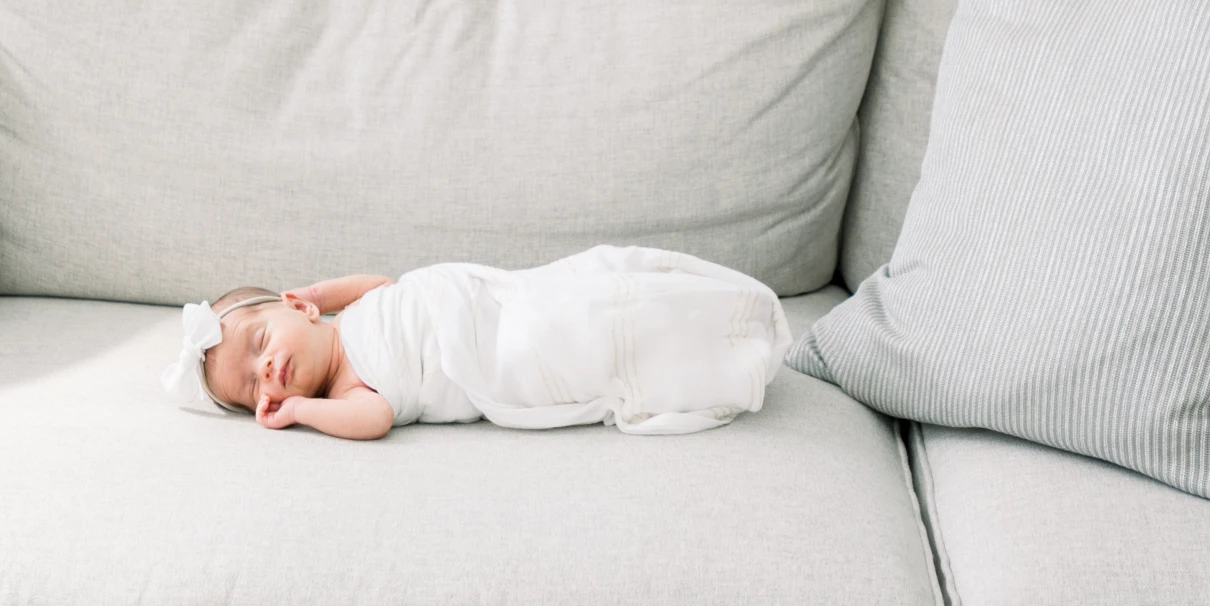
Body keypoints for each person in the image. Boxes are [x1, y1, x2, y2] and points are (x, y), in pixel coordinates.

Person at [162, 247, 790, 439]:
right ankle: (701, 348)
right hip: (502, 354)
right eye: (253, 386)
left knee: (589, 287)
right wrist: (302, 409)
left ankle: (703, 312)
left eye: (260, 341)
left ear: (299, 307)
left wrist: (322, 291)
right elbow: (375, 420)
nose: (267, 367)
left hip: (496, 306)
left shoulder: (352, 312)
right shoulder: (352, 388)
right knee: (576, 337)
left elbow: (386, 285)